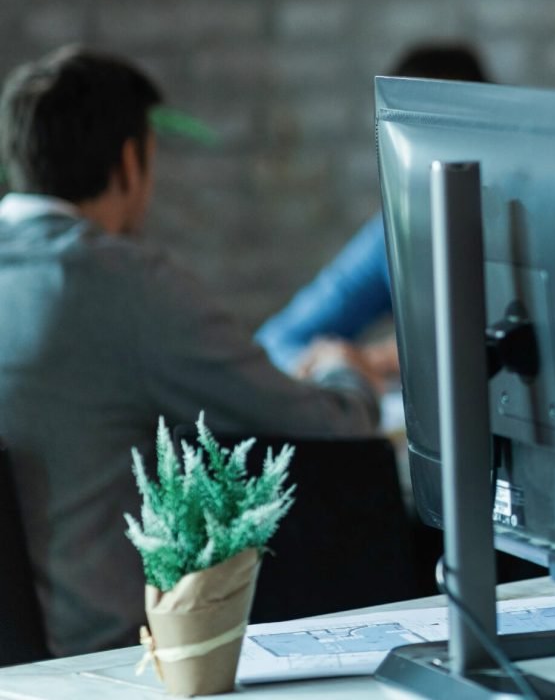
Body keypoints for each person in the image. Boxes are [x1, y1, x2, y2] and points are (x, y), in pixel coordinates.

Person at [0, 47, 384, 657]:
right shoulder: (121, 285)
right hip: (106, 658)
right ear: (130, 161)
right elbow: (324, 425)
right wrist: (348, 372)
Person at [255, 42, 489, 380]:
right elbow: (276, 342)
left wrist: (382, 359)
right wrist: (334, 364)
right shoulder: (395, 231)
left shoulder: (524, 231)